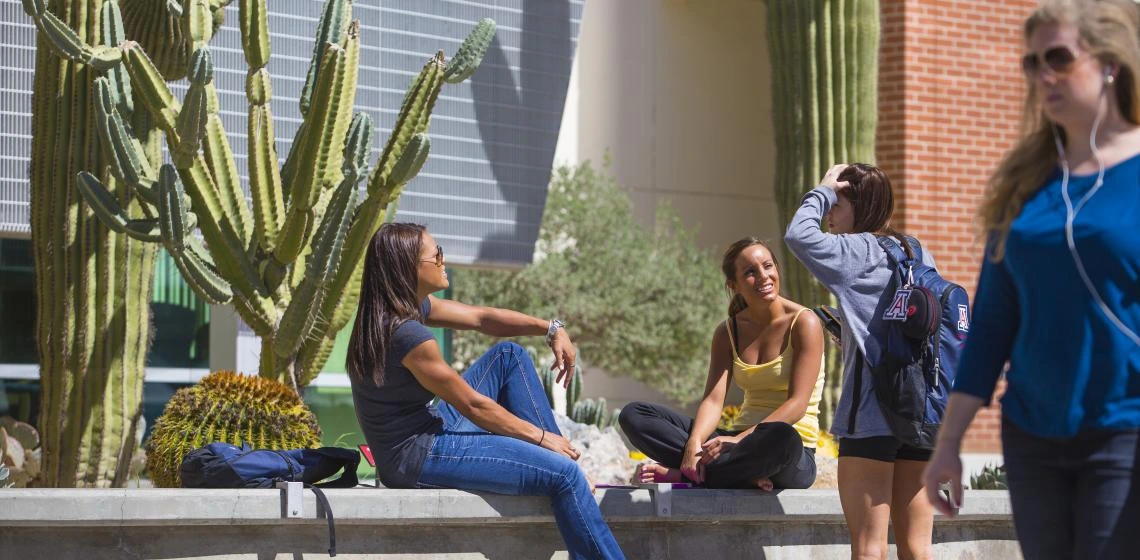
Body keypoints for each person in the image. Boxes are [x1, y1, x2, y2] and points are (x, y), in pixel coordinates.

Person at [922, 1, 1140, 558]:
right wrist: (950, 442)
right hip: (1032, 435)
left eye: (1060, 58)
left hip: (1124, 430)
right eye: (1032, 63)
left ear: (1111, 62)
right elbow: (992, 323)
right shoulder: (1024, 185)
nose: (1043, 75)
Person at [346, 222, 625, 560]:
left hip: (428, 431)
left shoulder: (402, 308)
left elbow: (482, 318)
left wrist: (551, 328)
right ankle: (563, 468)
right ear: (409, 268)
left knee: (509, 356)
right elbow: (473, 406)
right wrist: (541, 438)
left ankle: (556, 459)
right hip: (414, 458)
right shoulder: (407, 335)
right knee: (564, 475)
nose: (443, 260)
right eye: (437, 254)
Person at [785, 163, 938, 560]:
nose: (831, 215)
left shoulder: (854, 250)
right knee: (917, 549)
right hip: (922, 412)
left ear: (859, 204)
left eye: (837, 204)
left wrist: (820, 190)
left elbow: (798, 235)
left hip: (871, 416)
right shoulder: (916, 250)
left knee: (869, 549)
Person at [618, 238, 825, 491]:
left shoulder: (805, 323)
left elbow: (797, 405)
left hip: (790, 451)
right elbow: (714, 400)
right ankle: (736, 475)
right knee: (634, 415)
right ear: (734, 285)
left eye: (768, 266)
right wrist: (694, 444)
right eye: (750, 272)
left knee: (781, 437)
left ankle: (690, 476)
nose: (763, 277)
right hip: (734, 442)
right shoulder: (728, 332)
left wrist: (737, 441)